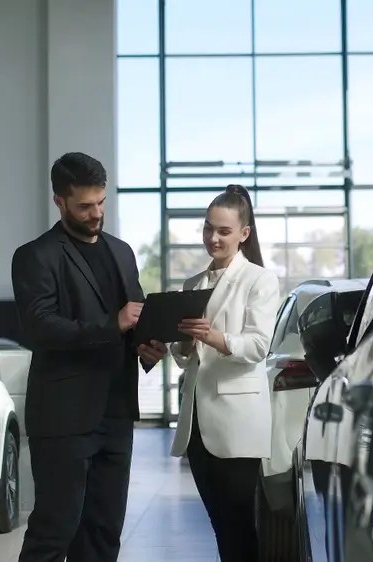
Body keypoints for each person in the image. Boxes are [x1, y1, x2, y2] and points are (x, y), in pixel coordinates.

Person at [11, 152, 167, 562]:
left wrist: (147, 345)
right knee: (55, 529)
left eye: (101, 202)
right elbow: (40, 327)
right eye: (85, 206)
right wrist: (111, 324)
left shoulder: (122, 252)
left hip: (116, 415)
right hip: (64, 419)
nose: (96, 213)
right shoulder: (35, 256)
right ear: (59, 200)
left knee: (103, 533)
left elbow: (131, 322)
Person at [156, 184, 280, 562]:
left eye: (223, 231)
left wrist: (214, 336)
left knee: (239, 522)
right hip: (196, 424)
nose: (213, 237)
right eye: (208, 228)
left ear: (244, 233)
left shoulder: (260, 280)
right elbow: (185, 358)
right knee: (219, 523)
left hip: (238, 422)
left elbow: (259, 346)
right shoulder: (192, 284)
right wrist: (186, 345)